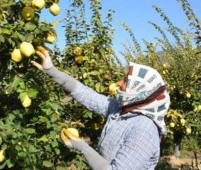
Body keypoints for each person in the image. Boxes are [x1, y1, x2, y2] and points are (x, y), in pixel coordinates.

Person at [31, 47, 170, 170]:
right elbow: (85, 94)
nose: (119, 83)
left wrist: (82, 147)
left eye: (126, 81)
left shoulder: (144, 130)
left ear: (139, 92)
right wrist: (52, 71)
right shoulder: (120, 109)